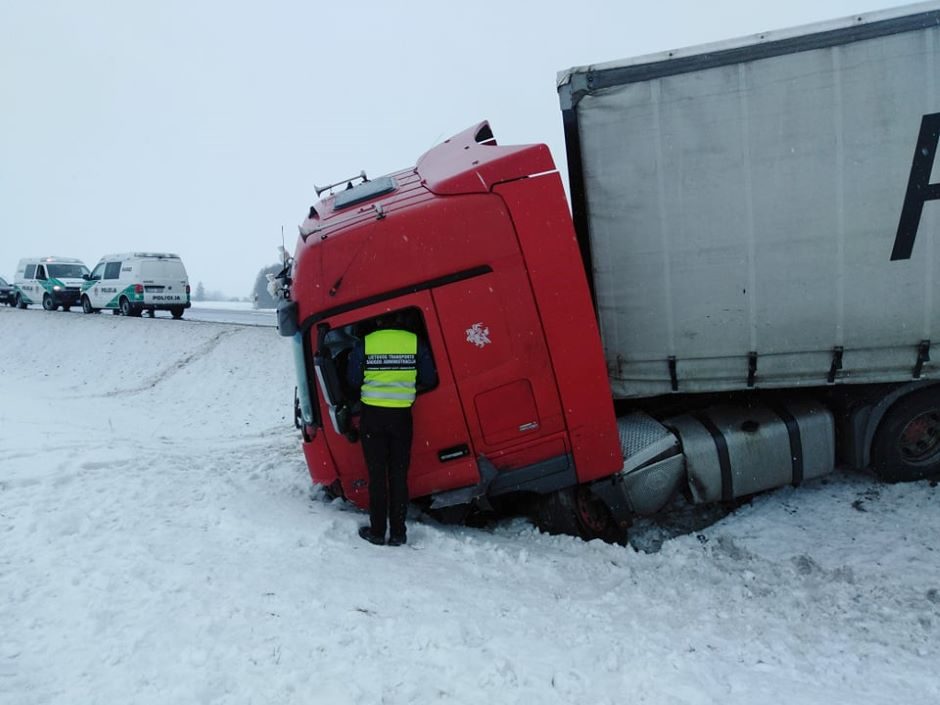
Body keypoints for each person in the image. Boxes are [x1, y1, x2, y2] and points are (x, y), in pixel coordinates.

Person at [347, 313, 437, 546]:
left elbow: (353, 380)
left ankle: (377, 531)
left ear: (378, 322)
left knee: (377, 476)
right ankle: (398, 533)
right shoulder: (414, 341)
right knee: (399, 476)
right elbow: (428, 376)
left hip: (372, 417)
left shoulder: (367, 342)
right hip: (401, 417)